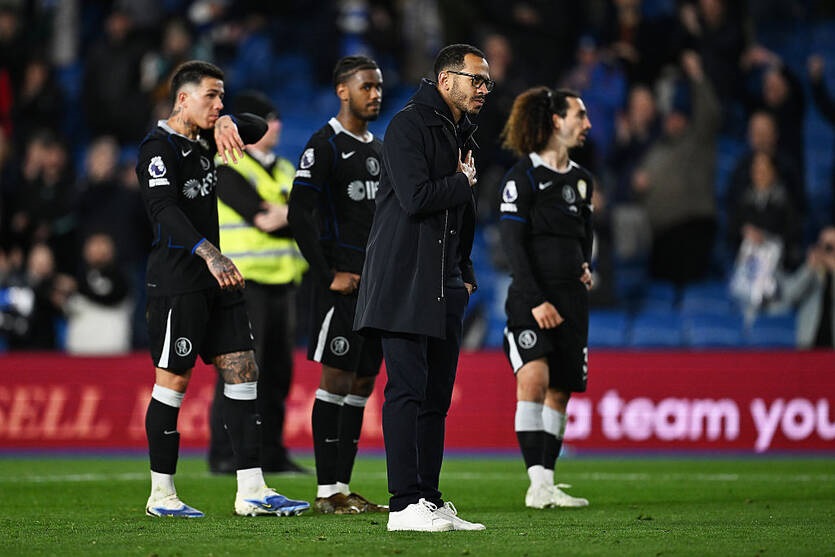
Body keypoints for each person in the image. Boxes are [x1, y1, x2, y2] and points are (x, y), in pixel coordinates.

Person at [136, 60, 309, 518]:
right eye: (211, 96)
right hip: (178, 281)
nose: (218, 104)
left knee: (243, 371)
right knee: (173, 382)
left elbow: (256, 127)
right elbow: (163, 210)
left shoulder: (207, 139)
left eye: (222, 97)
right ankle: (161, 495)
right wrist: (208, 252)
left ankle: (251, 490)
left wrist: (229, 120)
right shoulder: (157, 147)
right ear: (183, 99)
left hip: (218, 282)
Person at [354, 43, 489, 532]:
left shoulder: (461, 133)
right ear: (446, 80)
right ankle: (403, 505)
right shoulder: (408, 125)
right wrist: (461, 182)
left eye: (487, 82)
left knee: (436, 398)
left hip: (445, 279)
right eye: (476, 79)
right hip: (405, 278)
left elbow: (461, 215)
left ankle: (428, 500)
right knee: (407, 391)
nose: (484, 89)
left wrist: (465, 269)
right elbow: (415, 198)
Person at [287, 56, 387, 514]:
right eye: (367, 86)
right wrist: (328, 273)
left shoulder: (379, 150)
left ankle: (342, 487)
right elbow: (298, 214)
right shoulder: (324, 145)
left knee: (363, 383)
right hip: (339, 286)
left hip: (374, 287)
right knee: (336, 379)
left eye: (378, 87)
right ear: (343, 91)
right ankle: (327, 491)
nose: (375, 94)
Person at [497, 86, 594, 510]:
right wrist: (536, 299)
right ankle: (536, 483)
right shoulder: (523, 177)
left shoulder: (582, 180)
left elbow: (585, 233)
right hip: (531, 301)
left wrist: (585, 264)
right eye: (580, 115)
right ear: (557, 120)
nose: (587, 124)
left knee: (560, 392)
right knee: (534, 380)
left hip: (572, 301)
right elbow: (512, 245)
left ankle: (548, 483)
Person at [207, 90, 309, 476]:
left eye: (277, 118)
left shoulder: (283, 168)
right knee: (240, 370)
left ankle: (272, 453)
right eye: (269, 118)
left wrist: (289, 214)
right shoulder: (227, 165)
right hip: (243, 284)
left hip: (284, 283)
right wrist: (295, 214)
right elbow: (263, 219)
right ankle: (225, 453)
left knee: (278, 374)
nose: (277, 125)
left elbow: (305, 217)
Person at [778, 226, 835, 349]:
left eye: (831, 247)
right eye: (824, 246)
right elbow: (789, 296)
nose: (826, 251)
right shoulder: (811, 271)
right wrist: (808, 269)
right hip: (809, 343)